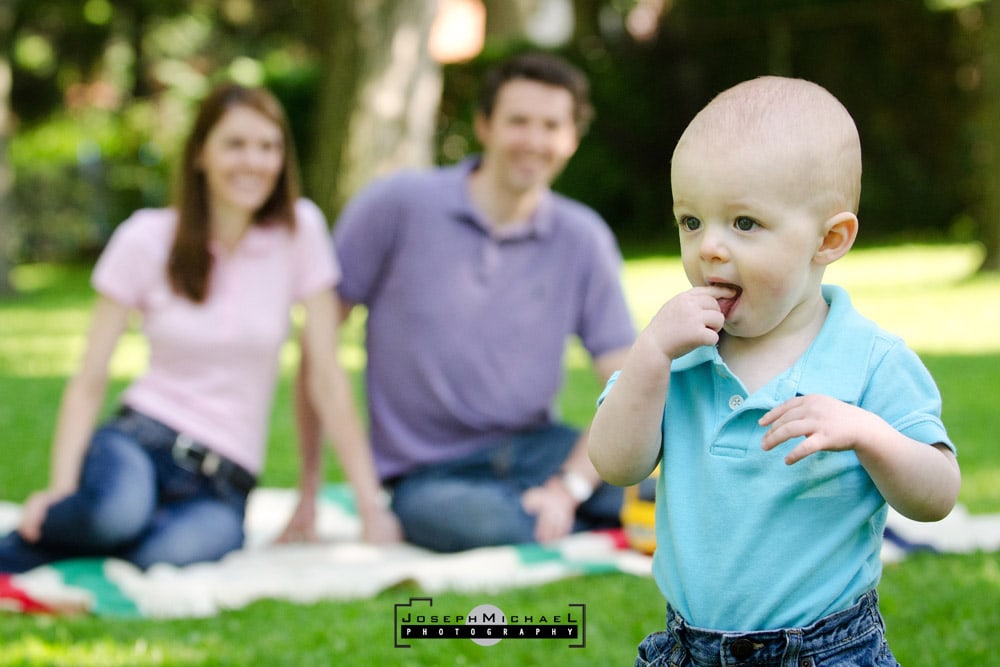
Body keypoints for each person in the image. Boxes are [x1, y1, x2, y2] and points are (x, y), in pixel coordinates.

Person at [589, 75, 961, 665]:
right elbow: (615, 464)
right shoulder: (675, 352)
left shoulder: (871, 362)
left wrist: (869, 433)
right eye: (691, 222)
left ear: (829, 239)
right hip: (690, 646)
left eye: (743, 224)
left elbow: (937, 495)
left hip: (827, 649)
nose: (709, 247)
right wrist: (650, 357)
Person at [0, 82, 398, 574]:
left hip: (224, 482)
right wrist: (62, 491)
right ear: (199, 154)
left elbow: (326, 379)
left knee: (161, 558)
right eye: (235, 144)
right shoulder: (145, 237)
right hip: (140, 441)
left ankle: (67, 540)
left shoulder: (301, 230)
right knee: (113, 516)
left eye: (269, 146)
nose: (254, 161)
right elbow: (89, 381)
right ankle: (49, 532)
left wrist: (365, 508)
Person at [280, 52, 636, 552]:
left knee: (665, 490)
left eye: (551, 125)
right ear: (484, 125)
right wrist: (312, 491)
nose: (534, 141)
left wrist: (569, 486)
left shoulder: (582, 237)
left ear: (572, 138)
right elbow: (316, 349)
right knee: (482, 525)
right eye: (518, 121)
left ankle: (558, 515)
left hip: (538, 451)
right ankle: (575, 525)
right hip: (428, 473)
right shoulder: (396, 205)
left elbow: (626, 380)